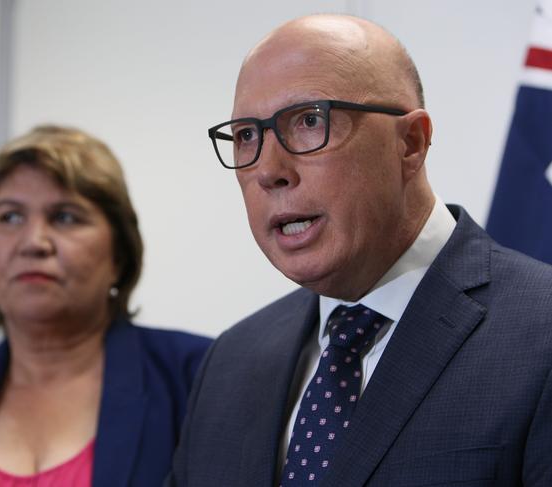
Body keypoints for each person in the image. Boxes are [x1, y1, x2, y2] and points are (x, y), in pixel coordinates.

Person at [168, 14, 552, 487]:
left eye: (310, 121)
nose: (269, 170)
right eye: (247, 135)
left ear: (410, 143)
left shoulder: (542, 332)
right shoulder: (229, 363)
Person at [0, 125, 211, 486]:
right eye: (10, 217)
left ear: (118, 256)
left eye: (65, 217)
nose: (34, 242)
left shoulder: (199, 378)